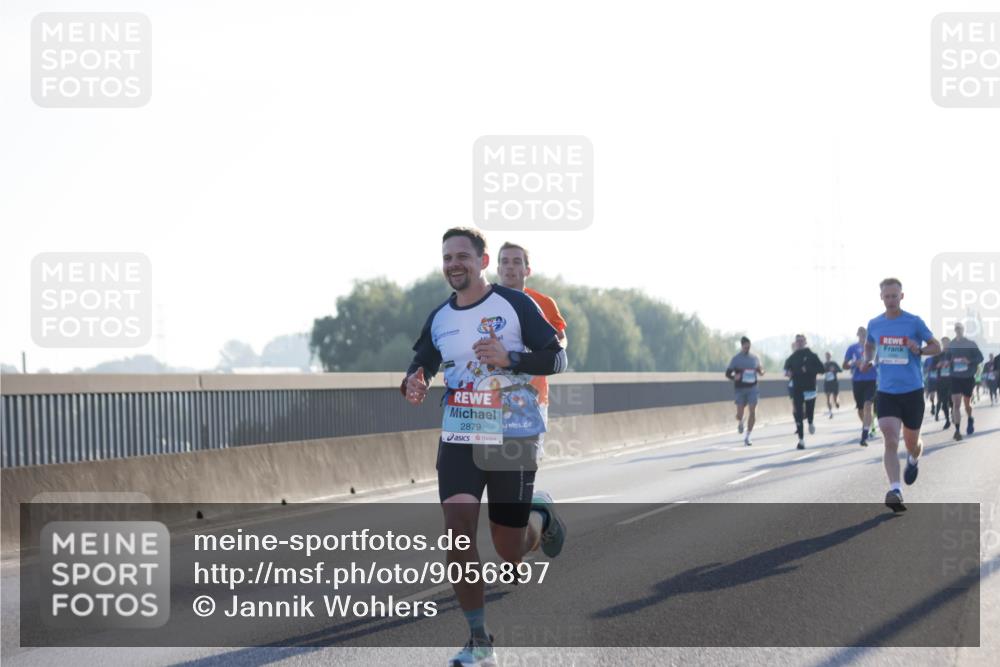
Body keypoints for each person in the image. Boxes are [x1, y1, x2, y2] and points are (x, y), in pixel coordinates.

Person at [402, 228, 568, 667]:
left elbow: (556, 357)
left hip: (512, 432)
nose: (453, 264)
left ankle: (540, 512)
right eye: (446, 257)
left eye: (462, 256)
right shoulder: (440, 316)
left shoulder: (514, 305)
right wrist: (414, 379)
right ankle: (479, 640)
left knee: (508, 550)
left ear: (482, 260)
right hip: (460, 430)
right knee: (457, 528)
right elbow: (424, 359)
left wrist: (510, 359)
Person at [859, 278, 940, 512]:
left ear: (902, 296)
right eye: (887, 296)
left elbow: (937, 347)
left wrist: (921, 349)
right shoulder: (874, 324)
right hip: (886, 391)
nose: (891, 300)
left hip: (913, 391)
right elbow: (869, 345)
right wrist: (868, 360)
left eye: (895, 296)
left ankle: (914, 459)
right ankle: (896, 489)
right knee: (891, 439)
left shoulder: (914, 322)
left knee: (911, 442)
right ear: (881, 297)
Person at [497, 242, 567, 457]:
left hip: (533, 396)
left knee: (526, 461)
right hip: (491, 397)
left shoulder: (544, 303)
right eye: (505, 262)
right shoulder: (485, 300)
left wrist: (544, 357)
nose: (510, 267)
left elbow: (560, 341)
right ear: (498, 268)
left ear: (527, 270)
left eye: (517, 262)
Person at [784, 334, 825, 449]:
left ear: (805, 342)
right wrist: (788, 373)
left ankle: (811, 422)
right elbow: (786, 370)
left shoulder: (812, 356)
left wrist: (808, 369)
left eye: (802, 341)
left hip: (810, 388)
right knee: (798, 413)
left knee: (809, 411)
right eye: (798, 341)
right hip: (797, 388)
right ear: (795, 343)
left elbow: (822, 369)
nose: (800, 343)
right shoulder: (792, 357)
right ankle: (801, 440)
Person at [945, 322, 984, 440]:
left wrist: (969, 360)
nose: (958, 330)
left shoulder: (970, 343)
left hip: (968, 377)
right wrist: (948, 362)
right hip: (955, 377)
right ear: (954, 330)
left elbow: (980, 358)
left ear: (963, 330)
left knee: (967, 404)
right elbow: (947, 358)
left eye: (960, 328)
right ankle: (957, 431)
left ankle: (970, 418)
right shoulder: (951, 345)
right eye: (956, 329)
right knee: (956, 404)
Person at [725, 336, 765, 445]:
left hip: (753, 388)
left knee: (753, 411)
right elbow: (728, 373)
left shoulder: (755, 358)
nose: (747, 348)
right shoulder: (736, 359)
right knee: (739, 414)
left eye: (749, 347)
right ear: (742, 346)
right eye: (745, 347)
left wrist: (761, 371)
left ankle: (748, 436)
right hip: (740, 389)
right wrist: (734, 377)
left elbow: (761, 369)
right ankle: (741, 420)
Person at [843, 326, 878, 446]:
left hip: (871, 380)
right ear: (857, 334)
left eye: (865, 333)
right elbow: (844, 365)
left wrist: (870, 364)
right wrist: (854, 363)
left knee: (868, 405)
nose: (863, 335)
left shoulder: (873, 347)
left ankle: (864, 434)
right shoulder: (852, 348)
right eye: (861, 333)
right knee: (860, 409)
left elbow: (878, 361)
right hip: (857, 381)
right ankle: (867, 425)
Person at [933, 338, 953, 429]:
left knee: (952, 401)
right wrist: (938, 365)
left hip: (952, 381)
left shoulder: (953, 354)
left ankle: (953, 411)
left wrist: (950, 363)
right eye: (943, 343)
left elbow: (959, 364)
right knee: (943, 402)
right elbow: (932, 367)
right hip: (941, 382)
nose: (945, 345)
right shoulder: (938, 355)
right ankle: (947, 420)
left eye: (946, 343)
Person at [822, 352, 842, 418]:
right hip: (827, 383)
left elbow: (840, 370)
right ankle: (830, 412)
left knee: (835, 398)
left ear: (831, 356)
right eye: (826, 355)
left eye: (829, 355)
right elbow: (820, 371)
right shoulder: (824, 364)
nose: (827, 357)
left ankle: (837, 402)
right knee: (828, 398)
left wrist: (834, 369)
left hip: (834, 383)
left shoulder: (834, 363)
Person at [923, 355, 938, 419]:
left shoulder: (939, 357)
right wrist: (928, 369)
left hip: (940, 379)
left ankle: (937, 408)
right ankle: (933, 405)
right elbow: (924, 369)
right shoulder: (927, 359)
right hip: (931, 379)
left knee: (940, 396)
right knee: (932, 395)